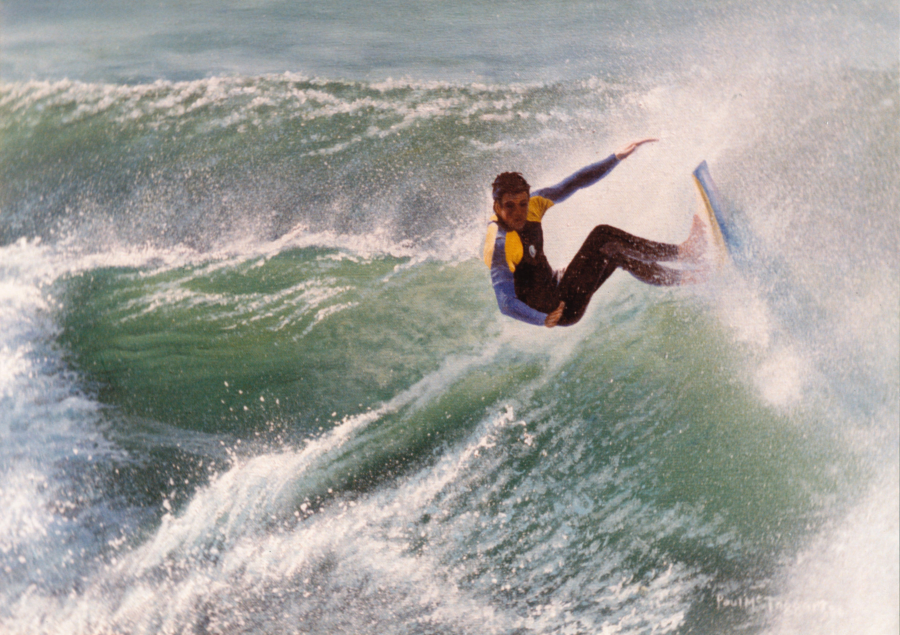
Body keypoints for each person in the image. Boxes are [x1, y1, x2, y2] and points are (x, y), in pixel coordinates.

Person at [483, 139, 705, 328]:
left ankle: (689, 277)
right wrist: (543, 319)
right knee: (602, 235)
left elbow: (574, 183)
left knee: (616, 253)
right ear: (497, 207)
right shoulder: (499, 244)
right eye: (509, 206)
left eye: (522, 204)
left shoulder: (534, 204)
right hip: (559, 308)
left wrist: (615, 158)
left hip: (558, 285)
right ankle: (684, 252)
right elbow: (505, 303)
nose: (518, 212)